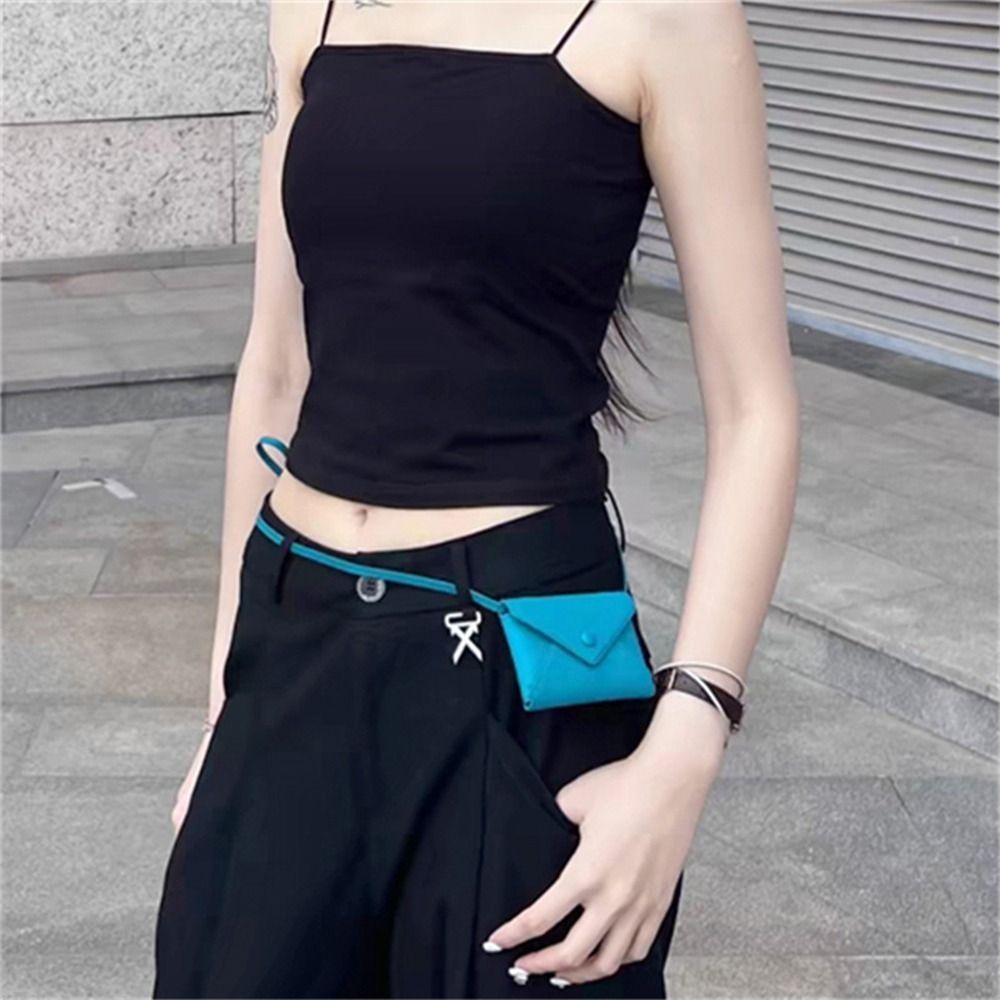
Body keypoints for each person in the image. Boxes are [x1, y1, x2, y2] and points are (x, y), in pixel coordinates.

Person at [151, 0, 798, 997]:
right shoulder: (312, 10)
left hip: (518, 653)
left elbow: (757, 411)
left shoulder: (662, 19)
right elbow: (275, 368)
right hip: (295, 635)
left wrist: (687, 740)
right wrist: (225, 704)